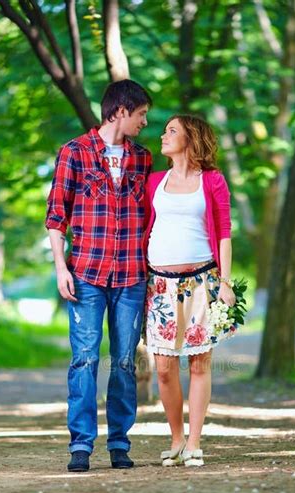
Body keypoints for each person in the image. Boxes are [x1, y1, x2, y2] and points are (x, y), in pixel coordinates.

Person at [46, 80, 152, 472]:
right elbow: (56, 218)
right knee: (85, 359)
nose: (145, 122)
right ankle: (81, 445)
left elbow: (149, 220)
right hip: (86, 275)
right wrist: (61, 268)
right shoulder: (73, 153)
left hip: (131, 277)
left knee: (124, 362)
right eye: (141, 114)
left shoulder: (143, 159)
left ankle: (119, 443)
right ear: (120, 111)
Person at [143, 114, 237, 467]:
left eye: (171, 131)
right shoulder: (154, 181)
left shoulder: (211, 180)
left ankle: (195, 442)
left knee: (200, 363)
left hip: (201, 282)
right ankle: (177, 438)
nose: (163, 136)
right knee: (164, 368)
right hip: (160, 285)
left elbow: (224, 233)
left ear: (191, 138)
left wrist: (224, 282)